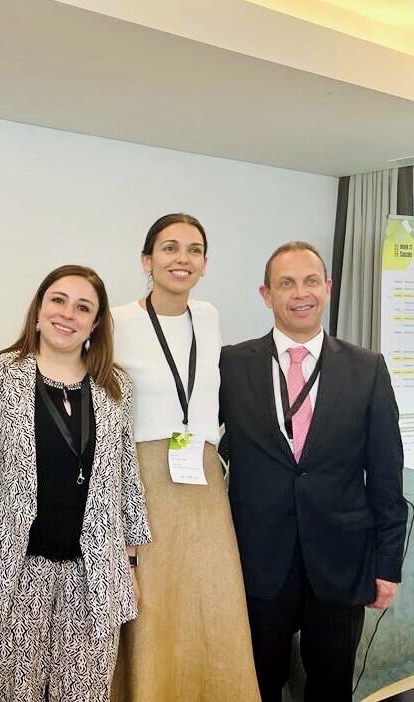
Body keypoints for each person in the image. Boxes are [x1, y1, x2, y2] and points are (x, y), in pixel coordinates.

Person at [219, 241, 407, 702]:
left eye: (309, 281)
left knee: (330, 684)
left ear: (327, 288)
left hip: (341, 559)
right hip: (258, 559)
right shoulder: (231, 364)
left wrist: (388, 565)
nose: (299, 293)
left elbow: (386, 474)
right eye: (286, 283)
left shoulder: (367, 368)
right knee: (257, 682)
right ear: (266, 294)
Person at [0, 264, 150, 702]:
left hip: (93, 576)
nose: (68, 313)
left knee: (85, 694)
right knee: (16, 694)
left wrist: (130, 564)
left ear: (95, 323)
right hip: (16, 570)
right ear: (39, 308)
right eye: (58, 300)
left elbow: (126, 476)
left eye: (83, 307)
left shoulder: (115, 387)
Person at [110, 213, 260, 701]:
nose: (182, 259)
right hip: (143, 480)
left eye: (193, 250)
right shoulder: (115, 321)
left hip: (202, 478)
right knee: (153, 605)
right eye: (170, 248)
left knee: (212, 601)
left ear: (204, 263)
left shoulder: (209, 316)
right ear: (146, 260)